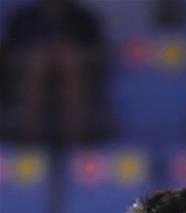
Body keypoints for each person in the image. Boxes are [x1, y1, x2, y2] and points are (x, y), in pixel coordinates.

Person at [0, 0, 107, 143]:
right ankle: (30, 141)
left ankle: (74, 140)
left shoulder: (83, 18)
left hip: (77, 79)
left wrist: (68, 54)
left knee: (69, 61)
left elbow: (99, 56)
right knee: (37, 62)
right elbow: (8, 56)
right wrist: (38, 55)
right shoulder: (23, 18)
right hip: (26, 79)